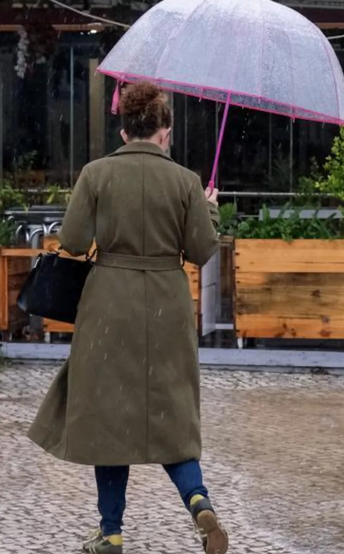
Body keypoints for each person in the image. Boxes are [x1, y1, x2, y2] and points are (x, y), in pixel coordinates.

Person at [28, 82, 228, 554]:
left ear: (123, 130)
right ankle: (199, 500)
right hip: (167, 303)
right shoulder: (185, 181)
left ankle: (111, 533)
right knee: (172, 413)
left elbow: (73, 243)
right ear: (165, 131)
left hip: (108, 304)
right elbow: (201, 251)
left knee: (109, 420)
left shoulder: (96, 174)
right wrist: (209, 211)